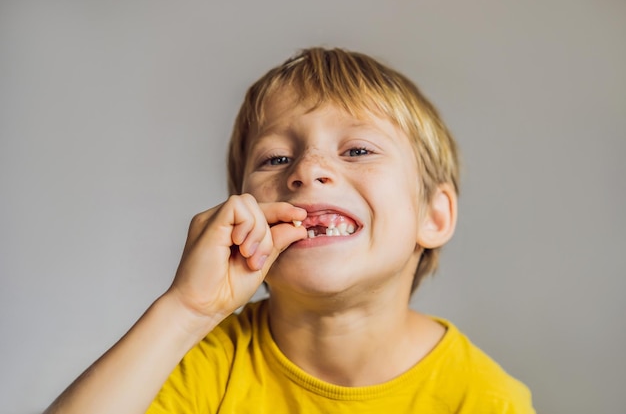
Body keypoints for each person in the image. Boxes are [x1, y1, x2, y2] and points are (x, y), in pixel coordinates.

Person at [45, 47, 535, 413]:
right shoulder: (203, 361)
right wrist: (186, 310)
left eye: (357, 150)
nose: (307, 170)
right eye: (276, 158)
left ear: (435, 216)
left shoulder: (487, 399)